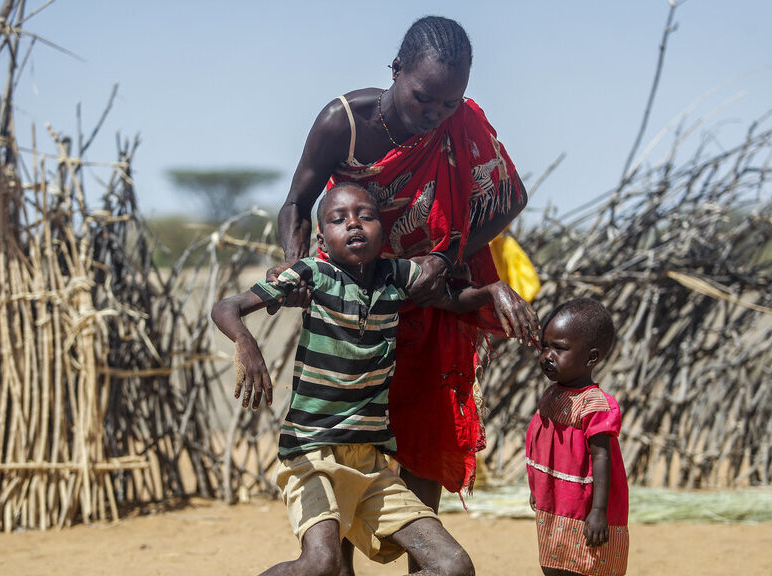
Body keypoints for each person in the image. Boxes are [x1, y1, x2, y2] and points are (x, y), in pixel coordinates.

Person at [273, 17, 535, 544]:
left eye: (449, 104)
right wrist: (294, 266)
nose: (436, 114)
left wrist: (450, 252)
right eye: (424, 99)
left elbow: (511, 197)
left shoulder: (460, 128)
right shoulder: (343, 124)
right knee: (342, 437)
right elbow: (297, 203)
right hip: (352, 304)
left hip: (430, 296)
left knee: (422, 431)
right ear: (395, 72)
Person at [213, 183, 536, 575]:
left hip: (371, 463)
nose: (354, 224)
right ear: (321, 238)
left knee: (454, 566)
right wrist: (245, 343)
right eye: (338, 219)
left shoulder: (396, 276)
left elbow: (451, 299)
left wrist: (494, 290)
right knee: (322, 564)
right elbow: (227, 306)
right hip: (312, 453)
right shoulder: (312, 274)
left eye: (365, 216)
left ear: (383, 231)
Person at [526, 298, 629, 576]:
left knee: (585, 567)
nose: (547, 355)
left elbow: (601, 457)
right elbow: (541, 444)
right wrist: (537, 487)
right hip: (556, 506)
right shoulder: (552, 395)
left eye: (559, 349)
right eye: (545, 346)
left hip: (584, 511)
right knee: (554, 565)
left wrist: (598, 511)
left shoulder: (595, 405)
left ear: (591, 357)